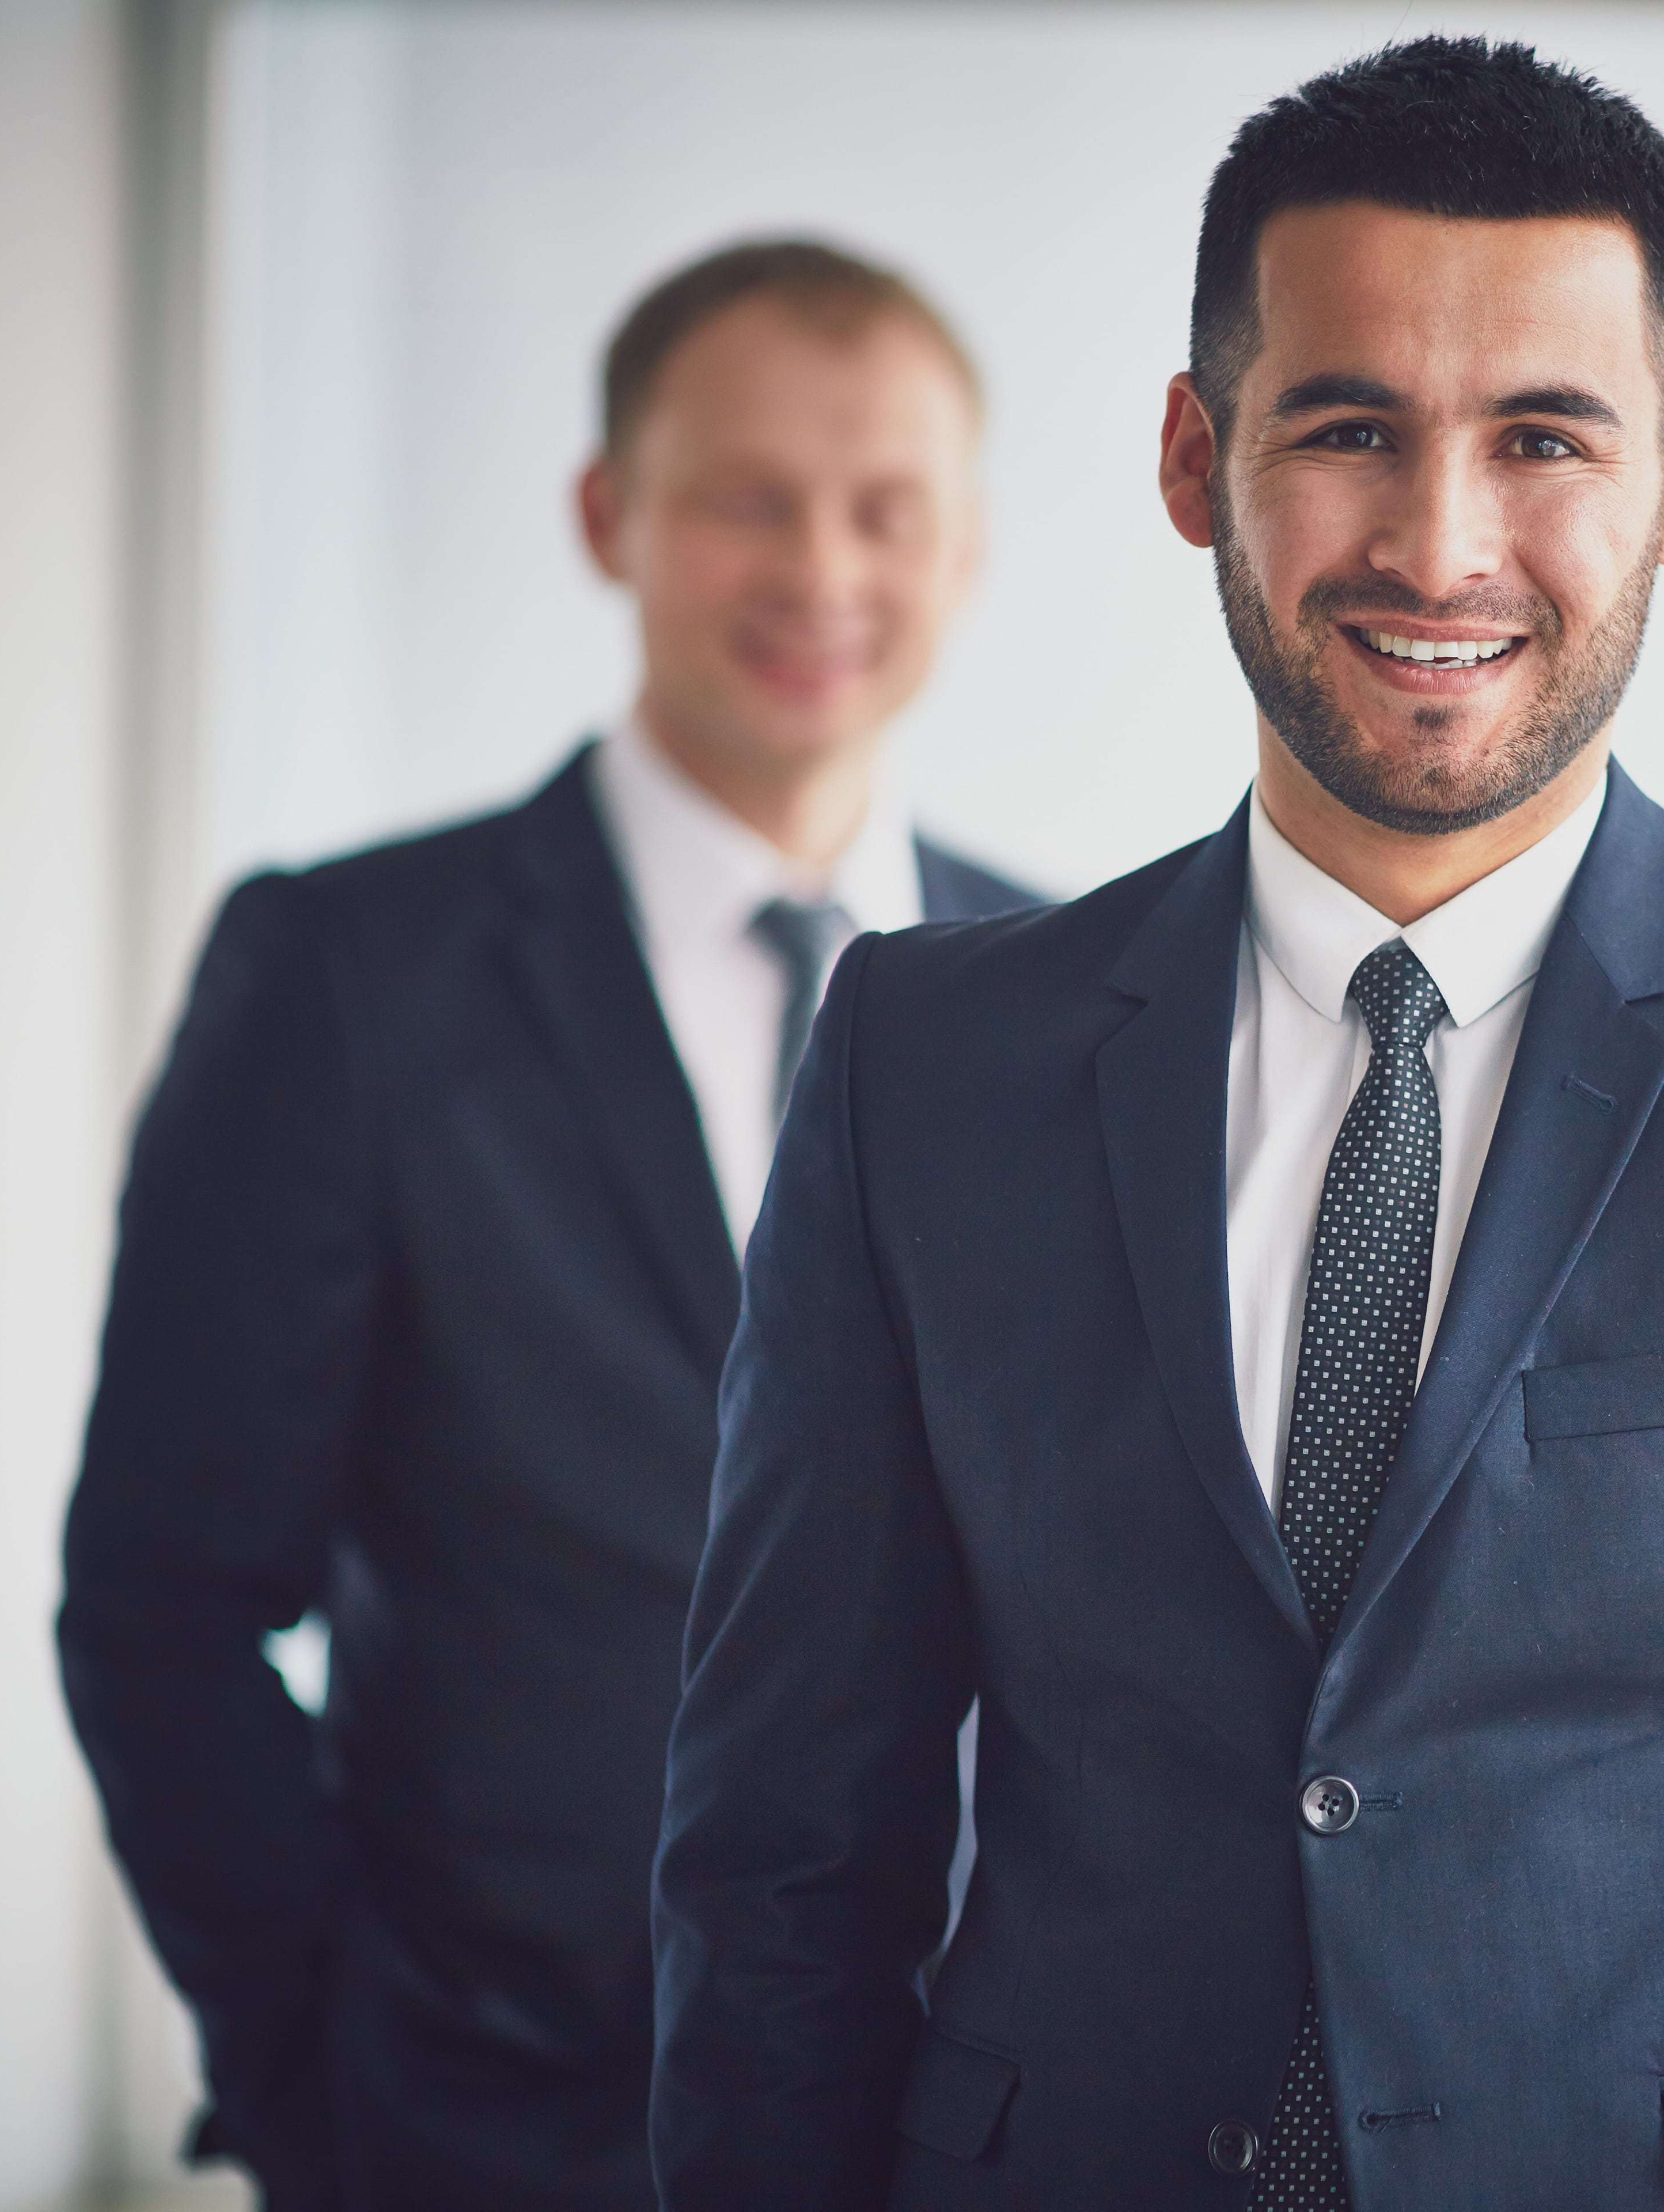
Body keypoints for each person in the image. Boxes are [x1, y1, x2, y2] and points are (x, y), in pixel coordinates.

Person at [649, 39, 1664, 2212]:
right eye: (1351, 427)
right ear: (1200, 457)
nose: (1442, 539)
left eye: (1544, 438)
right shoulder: (924, 1058)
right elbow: (780, 1868)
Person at [58, 239, 1038, 2211]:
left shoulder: (1069, 992)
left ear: (971, 544)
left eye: (885, 509)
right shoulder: (344, 976)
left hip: (984, 2128)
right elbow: (163, 1605)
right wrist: (320, 2078)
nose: (822, 573)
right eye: (747, 498)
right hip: (490, 2125)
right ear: (612, 517)